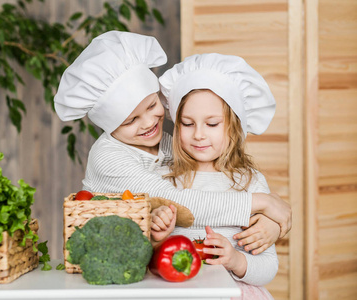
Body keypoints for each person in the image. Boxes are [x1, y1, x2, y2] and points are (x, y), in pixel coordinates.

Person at [54, 31, 291, 252]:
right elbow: (180, 205)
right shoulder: (108, 157)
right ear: (109, 125)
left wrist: (270, 222)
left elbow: (215, 182)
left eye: (151, 105)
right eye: (130, 120)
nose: (148, 122)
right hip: (107, 255)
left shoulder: (169, 143)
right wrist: (263, 203)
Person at [154, 53, 279, 299]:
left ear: (235, 126)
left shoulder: (250, 182)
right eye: (188, 124)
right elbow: (149, 256)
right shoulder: (164, 177)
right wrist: (155, 236)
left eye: (212, 124)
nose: (199, 134)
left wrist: (235, 260)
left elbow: (268, 266)